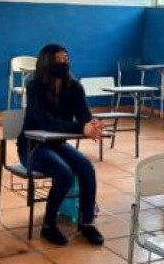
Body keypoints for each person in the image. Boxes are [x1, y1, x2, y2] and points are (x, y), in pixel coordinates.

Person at [18, 44, 106, 246]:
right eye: (57, 60)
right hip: (32, 147)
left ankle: (86, 223)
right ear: (46, 62)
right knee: (63, 172)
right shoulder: (35, 85)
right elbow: (45, 122)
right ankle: (48, 226)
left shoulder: (74, 86)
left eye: (65, 59)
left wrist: (93, 124)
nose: (63, 63)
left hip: (57, 145)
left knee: (86, 167)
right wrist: (81, 128)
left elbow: (84, 116)